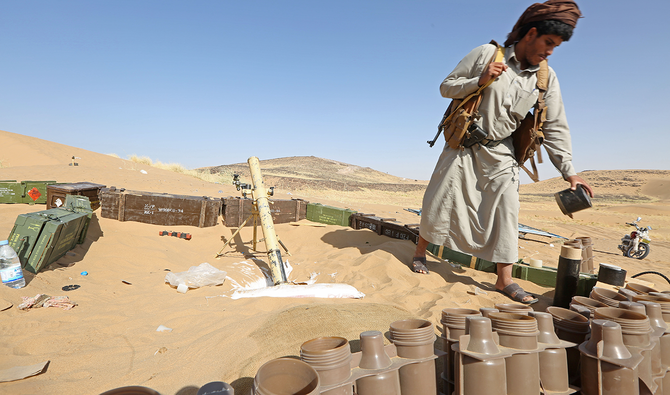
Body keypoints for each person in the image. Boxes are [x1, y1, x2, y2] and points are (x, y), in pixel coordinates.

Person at [412, 0, 594, 304]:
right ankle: (420, 253)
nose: (550, 51)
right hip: (464, 144)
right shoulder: (487, 53)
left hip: (503, 154)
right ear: (531, 33)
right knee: (439, 198)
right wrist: (479, 81)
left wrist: (569, 171)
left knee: (507, 210)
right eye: (548, 42)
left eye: (555, 47)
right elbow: (447, 86)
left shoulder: (546, 78)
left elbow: (556, 126)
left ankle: (504, 280)